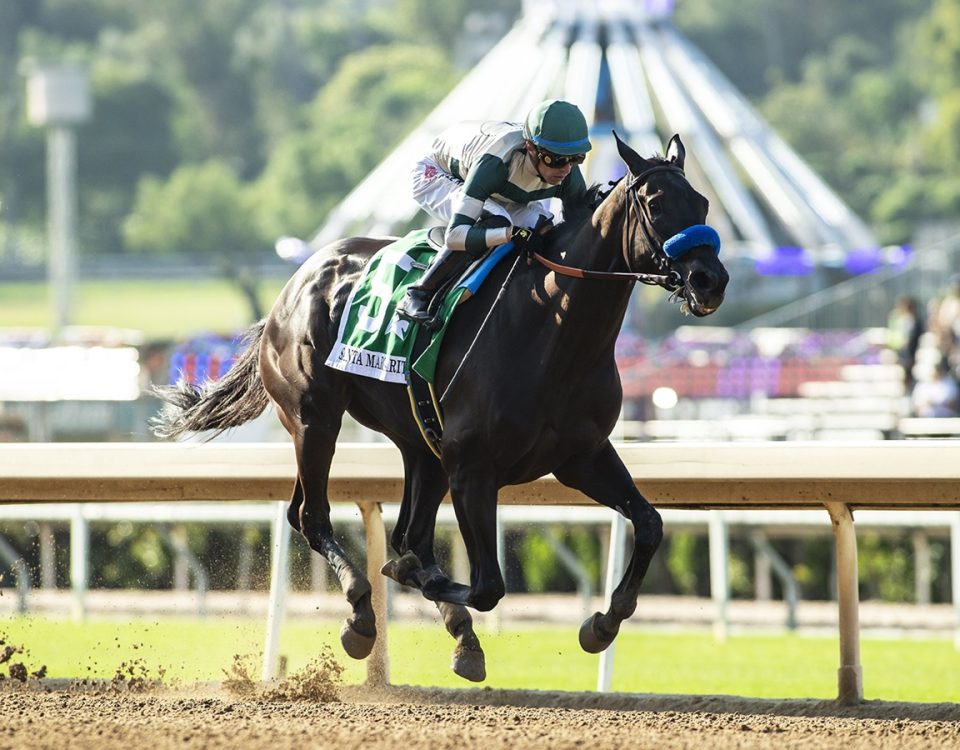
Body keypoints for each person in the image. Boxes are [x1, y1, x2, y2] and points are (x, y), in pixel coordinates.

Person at [396, 99, 593, 325]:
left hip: (498, 189)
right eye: (556, 159)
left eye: (576, 158)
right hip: (438, 173)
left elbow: (582, 229)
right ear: (531, 148)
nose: (566, 169)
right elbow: (455, 236)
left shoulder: (568, 173)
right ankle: (419, 293)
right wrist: (510, 234)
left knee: (544, 227)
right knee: (498, 220)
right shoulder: (495, 163)